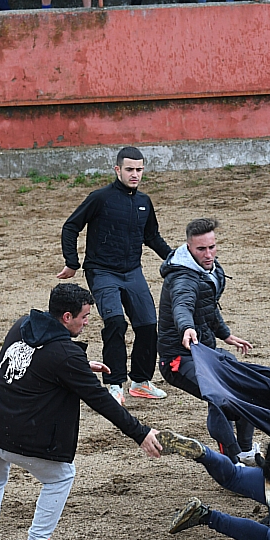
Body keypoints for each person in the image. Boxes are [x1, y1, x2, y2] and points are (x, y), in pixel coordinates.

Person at [0, 283, 162, 540]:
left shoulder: (24, 324)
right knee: (61, 477)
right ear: (66, 316)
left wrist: (80, 364)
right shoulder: (66, 355)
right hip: (14, 434)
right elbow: (100, 401)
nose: (87, 322)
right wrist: (140, 433)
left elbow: (36, 361)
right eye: (84, 316)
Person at [59, 146, 173, 406]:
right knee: (115, 323)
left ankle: (141, 382)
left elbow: (152, 236)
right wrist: (72, 262)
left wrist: (175, 259)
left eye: (139, 170)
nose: (135, 174)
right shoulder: (100, 198)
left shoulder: (144, 202)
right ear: (117, 170)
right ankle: (113, 384)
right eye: (130, 169)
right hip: (101, 271)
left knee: (147, 325)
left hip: (132, 271)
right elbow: (71, 226)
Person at [157, 217, 259, 464]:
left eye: (212, 247)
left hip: (205, 353)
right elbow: (183, 305)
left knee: (246, 387)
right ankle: (233, 460)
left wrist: (225, 334)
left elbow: (207, 305)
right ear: (188, 247)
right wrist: (187, 327)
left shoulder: (209, 269)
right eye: (201, 249)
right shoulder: (183, 278)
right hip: (177, 358)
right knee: (219, 398)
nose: (209, 254)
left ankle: (245, 451)